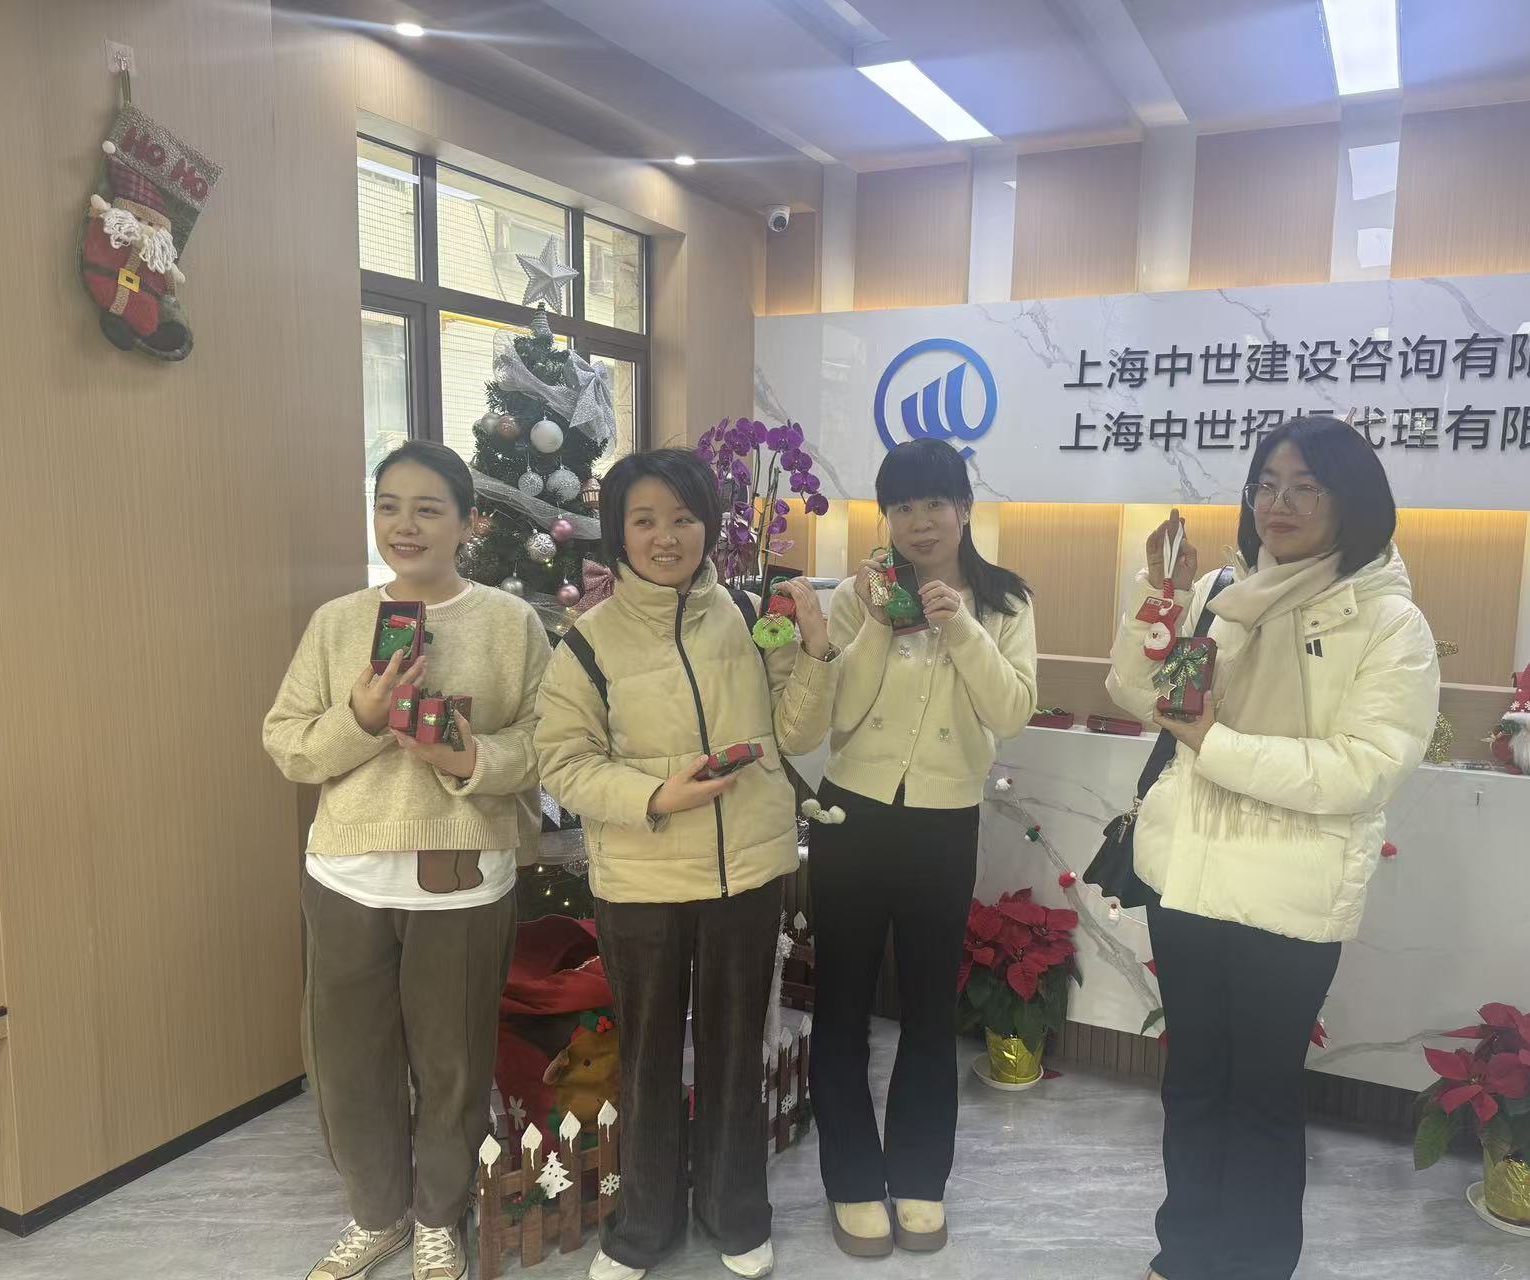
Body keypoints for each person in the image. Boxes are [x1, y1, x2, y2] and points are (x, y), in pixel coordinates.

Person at [1105, 416, 1439, 1280]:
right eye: (1265, 485)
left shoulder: (1388, 621)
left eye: (1304, 488)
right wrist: (1157, 597)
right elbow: (1141, 693)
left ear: (1350, 502)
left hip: (1289, 897)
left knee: (1258, 1097)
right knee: (1191, 1084)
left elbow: (1362, 769)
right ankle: (1183, 1254)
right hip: (1188, 876)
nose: (1277, 504)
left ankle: (1252, 1266)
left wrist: (1214, 745)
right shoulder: (1223, 592)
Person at [532, 447, 840, 1280]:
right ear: (618, 532)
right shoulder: (587, 644)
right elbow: (563, 763)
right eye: (644, 520)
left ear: (708, 525)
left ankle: (735, 1214)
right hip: (641, 880)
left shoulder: (749, 614)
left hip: (747, 873)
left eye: (682, 517)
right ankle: (643, 1227)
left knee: (738, 1051)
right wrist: (654, 795)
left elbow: (798, 733)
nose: (664, 536)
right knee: (647, 1058)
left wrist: (815, 652)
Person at [263, 440, 550, 1280]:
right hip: (345, 876)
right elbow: (287, 744)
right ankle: (377, 1215)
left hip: (462, 880)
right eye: (388, 506)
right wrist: (359, 717)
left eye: (428, 509)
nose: (405, 525)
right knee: (348, 1064)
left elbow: (546, 741)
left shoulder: (510, 623)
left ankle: (438, 1218)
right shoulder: (336, 622)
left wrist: (468, 758)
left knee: (452, 1064)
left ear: (470, 522)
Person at [810, 438, 1037, 1259]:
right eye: (901, 506)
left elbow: (1011, 713)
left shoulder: (1005, 600)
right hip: (851, 817)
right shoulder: (855, 597)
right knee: (840, 1006)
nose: (919, 521)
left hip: (943, 822)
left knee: (929, 1012)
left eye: (934, 503)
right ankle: (850, 1179)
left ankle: (918, 1177)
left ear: (964, 509)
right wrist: (876, 625)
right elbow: (837, 715)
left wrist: (963, 628)